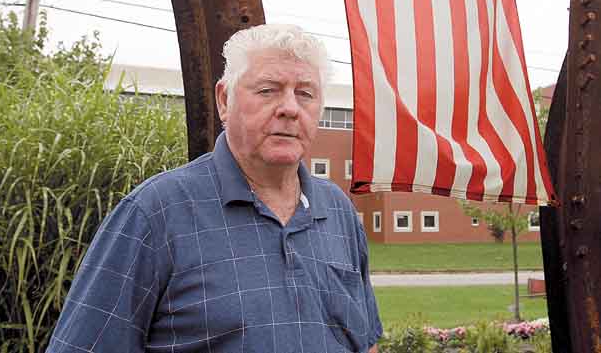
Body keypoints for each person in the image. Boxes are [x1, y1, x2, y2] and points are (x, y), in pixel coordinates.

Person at [46, 24, 383, 352]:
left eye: (305, 94)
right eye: (268, 90)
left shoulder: (337, 211)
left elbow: (365, 341)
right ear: (224, 100)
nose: (290, 108)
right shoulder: (156, 213)